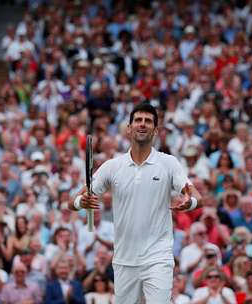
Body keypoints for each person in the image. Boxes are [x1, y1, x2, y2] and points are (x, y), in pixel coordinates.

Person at [69, 102, 202, 303]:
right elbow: (74, 201)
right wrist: (81, 201)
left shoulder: (168, 163)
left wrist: (189, 202)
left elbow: (196, 196)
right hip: (124, 260)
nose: (142, 124)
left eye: (148, 121)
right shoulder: (112, 167)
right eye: (138, 120)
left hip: (158, 257)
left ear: (155, 130)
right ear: (129, 128)